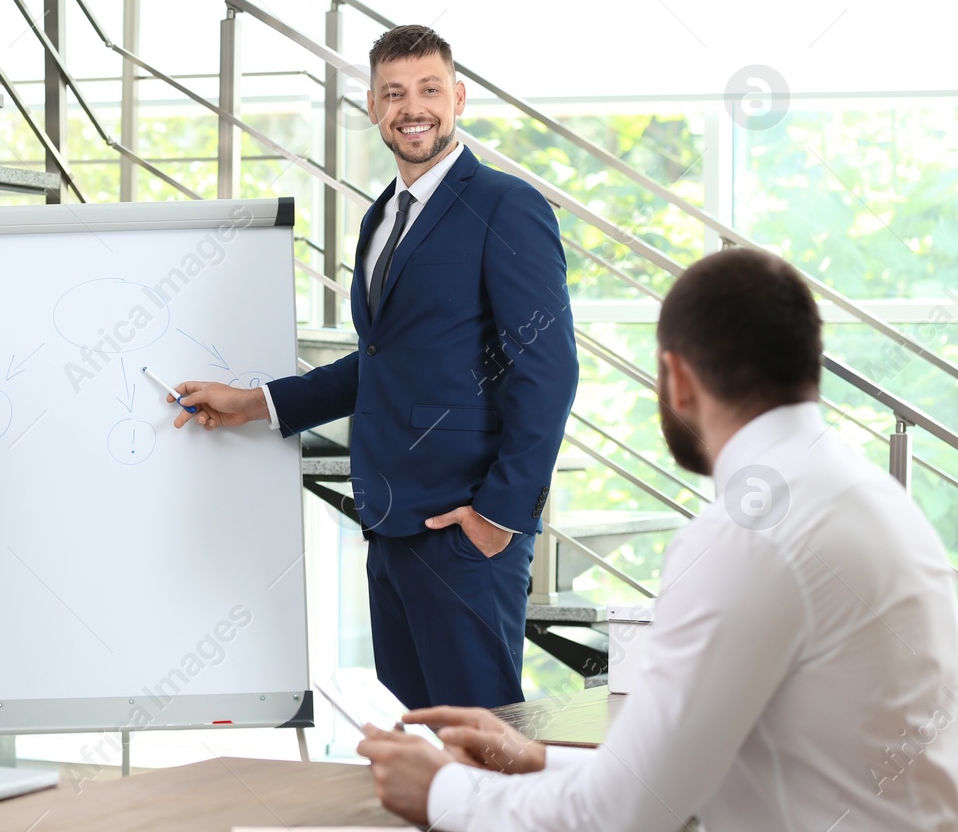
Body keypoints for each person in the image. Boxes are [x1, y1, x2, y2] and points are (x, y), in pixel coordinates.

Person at [357, 247, 958, 831]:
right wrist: (536, 758)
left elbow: (626, 814)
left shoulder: (745, 537)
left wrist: (440, 791)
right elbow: (704, 769)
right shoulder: (875, 498)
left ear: (677, 377)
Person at [174, 25, 578, 709]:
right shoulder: (382, 218)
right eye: (394, 93)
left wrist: (498, 516)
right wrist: (255, 402)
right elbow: (384, 362)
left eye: (428, 90)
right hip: (390, 520)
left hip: (464, 525)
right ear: (371, 105)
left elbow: (549, 369)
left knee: (480, 737)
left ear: (459, 97)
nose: (411, 107)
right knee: (424, 725)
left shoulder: (505, 206)